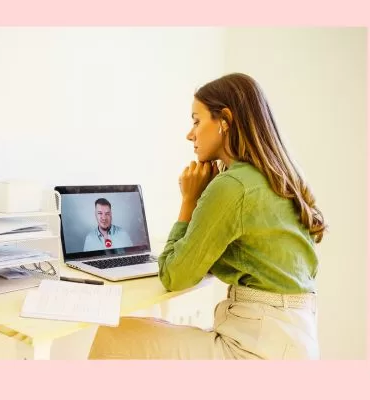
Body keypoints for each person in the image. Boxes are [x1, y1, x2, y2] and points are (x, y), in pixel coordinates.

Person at [88, 73, 326, 360]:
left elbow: (175, 275)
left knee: (114, 337)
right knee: (151, 330)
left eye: (196, 121)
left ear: (224, 120)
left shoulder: (232, 186)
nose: (190, 134)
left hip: (258, 350)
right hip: (294, 341)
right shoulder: (277, 178)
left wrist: (189, 200)